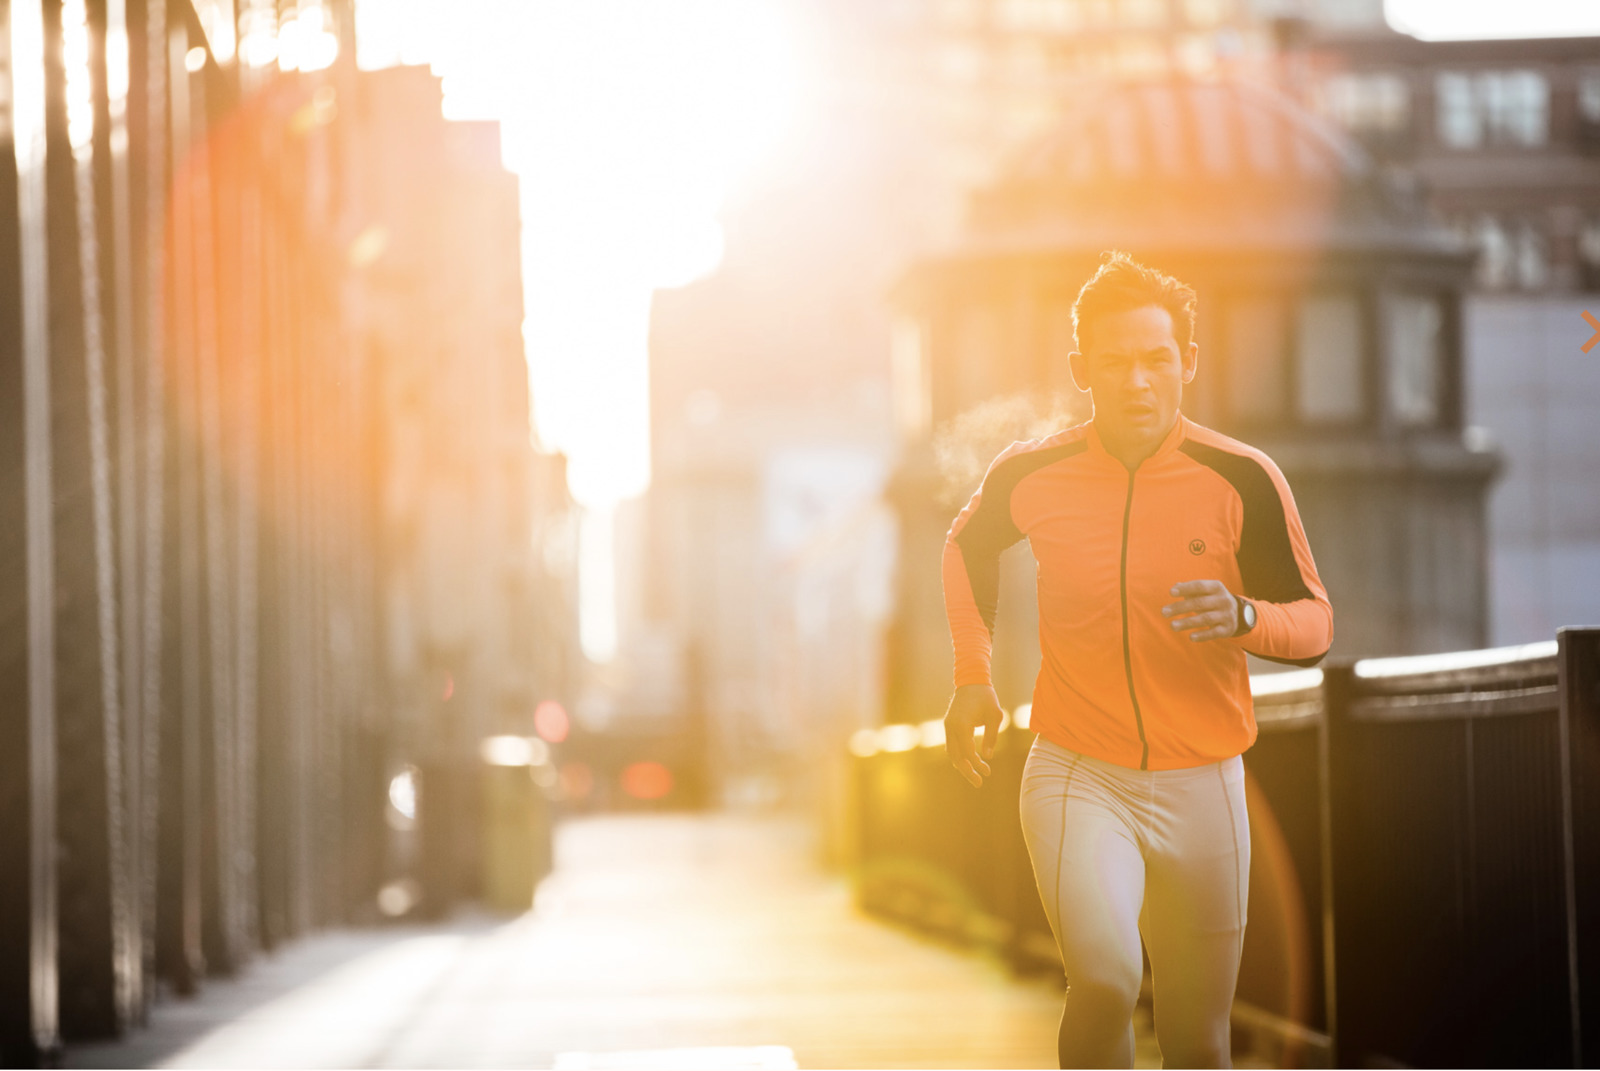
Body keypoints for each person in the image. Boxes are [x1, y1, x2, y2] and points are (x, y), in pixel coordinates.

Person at [940, 252, 1333, 1069]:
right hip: (1079, 773)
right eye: (1115, 362)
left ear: (1188, 362)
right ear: (1082, 369)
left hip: (1208, 783)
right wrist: (973, 677)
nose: (1138, 379)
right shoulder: (1033, 471)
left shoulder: (1242, 478)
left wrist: (1244, 616)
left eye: (1157, 358)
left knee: (1198, 1037)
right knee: (1109, 980)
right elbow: (966, 549)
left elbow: (1317, 623)